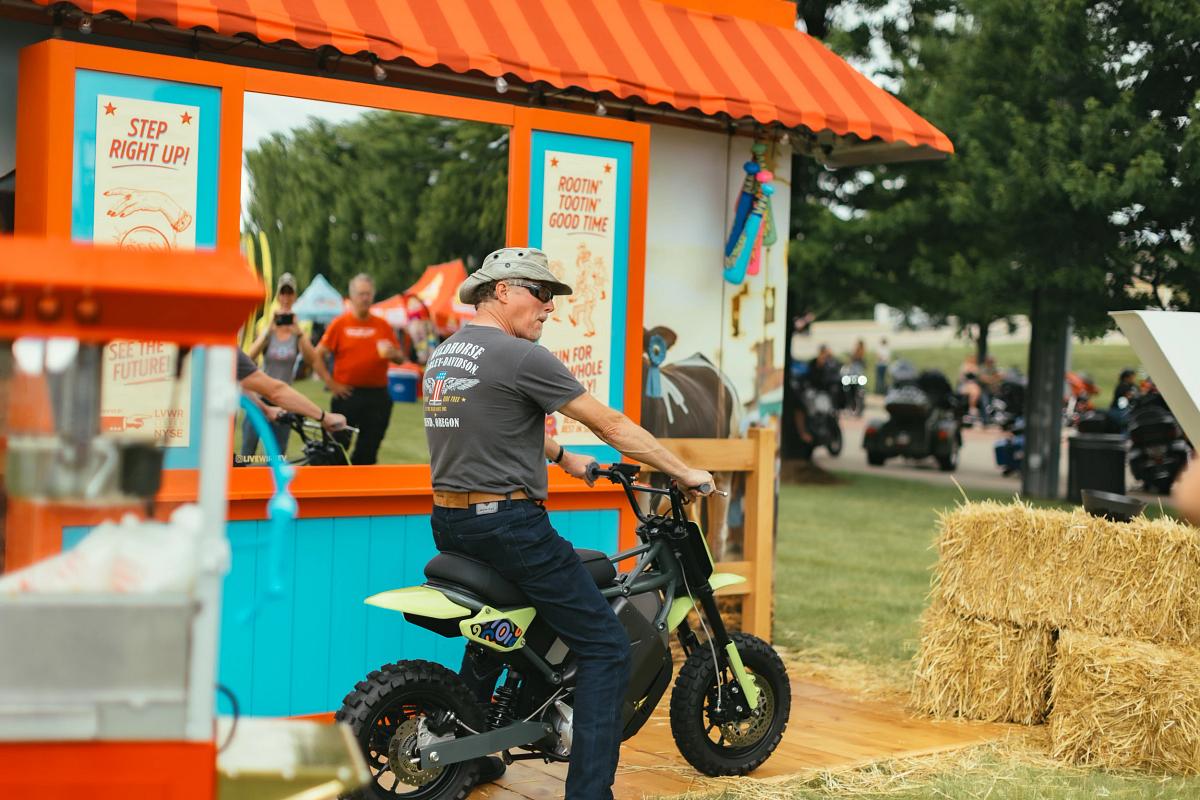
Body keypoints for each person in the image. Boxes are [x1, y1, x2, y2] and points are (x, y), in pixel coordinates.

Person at [424, 246, 714, 799]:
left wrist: (560, 456)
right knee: (606, 648)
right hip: (509, 525)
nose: (550, 306)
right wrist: (683, 470)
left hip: (452, 522)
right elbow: (611, 425)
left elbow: (492, 422)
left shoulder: (448, 353)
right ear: (502, 290)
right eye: (541, 292)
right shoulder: (520, 356)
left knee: (499, 635)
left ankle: (471, 754)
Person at [241, 273, 335, 459]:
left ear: (294, 297)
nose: (286, 297)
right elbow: (248, 357)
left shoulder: (301, 326)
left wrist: (298, 333)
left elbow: (312, 360)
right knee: (246, 453)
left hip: (284, 399)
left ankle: (269, 477)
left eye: (289, 293)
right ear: (278, 296)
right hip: (261, 396)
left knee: (277, 456)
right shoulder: (266, 324)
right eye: (282, 293)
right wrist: (268, 331)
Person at [314, 273, 403, 465]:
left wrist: (393, 354)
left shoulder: (383, 325)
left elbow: (400, 358)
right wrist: (331, 383)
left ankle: (362, 481)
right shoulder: (340, 324)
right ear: (352, 296)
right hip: (347, 395)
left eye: (368, 294)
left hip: (377, 396)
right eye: (361, 294)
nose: (365, 298)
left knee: (369, 450)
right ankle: (337, 482)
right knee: (336, 449)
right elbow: (317, 355)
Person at [236, 350, 346, 444]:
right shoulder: (229, 350)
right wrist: (324, 417)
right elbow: (275, 392)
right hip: (271, 395)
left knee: (273, 456)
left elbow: (239, 382)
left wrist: (266, 409)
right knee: (247, 454)